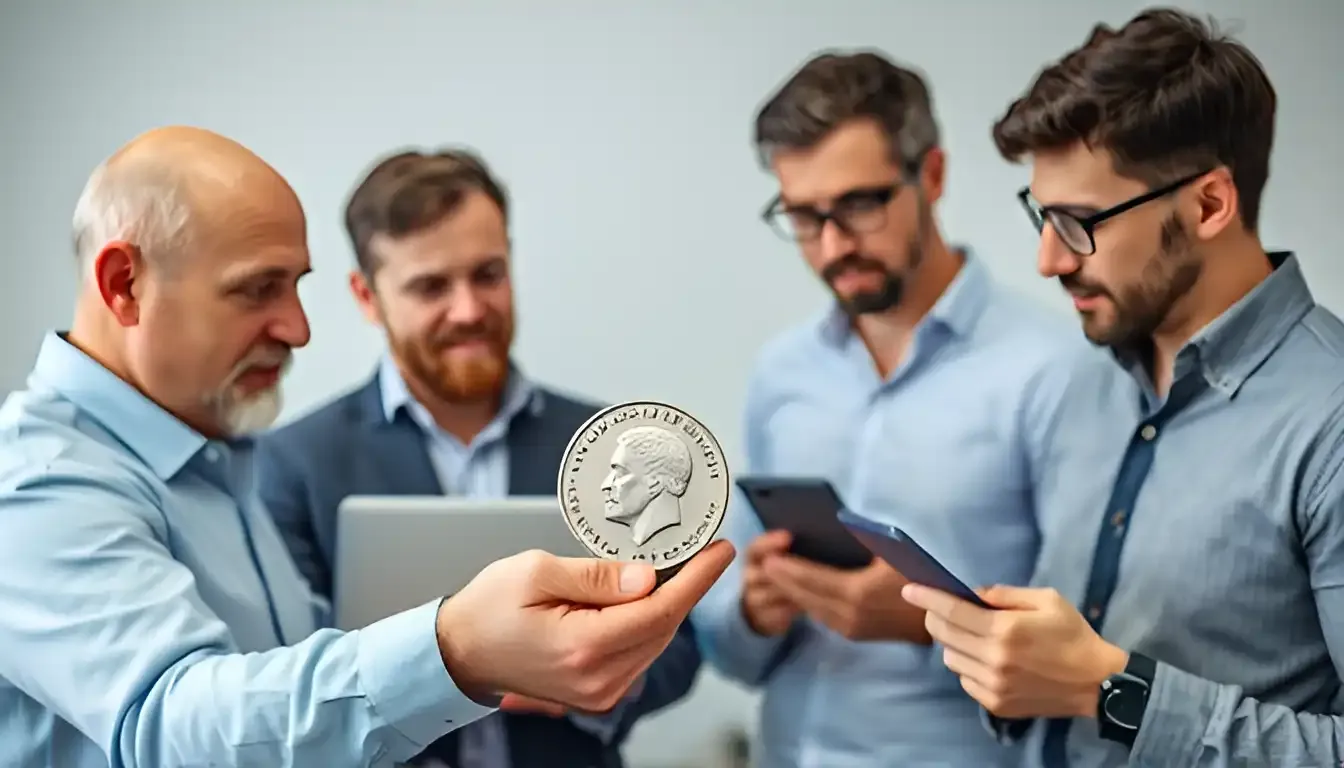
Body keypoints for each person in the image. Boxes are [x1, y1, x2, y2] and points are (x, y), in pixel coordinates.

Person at [0, 126, 733, 768]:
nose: (298, 328)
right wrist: (458, 651)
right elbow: (172, 727)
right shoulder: (41, 481)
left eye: (295, 287)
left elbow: (284, 689)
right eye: (258, 290)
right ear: (124, 284)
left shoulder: (222, 461)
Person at [902, 8, 1344, 768]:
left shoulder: (1331, 419)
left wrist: (1108, 689)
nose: (1047, 260)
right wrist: (1012, 668)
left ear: (1208, 204)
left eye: (1078, 223)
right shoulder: (1081, 384)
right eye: (1041, 216)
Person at [690, 50, 1096, 766]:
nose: (834, 244)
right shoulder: (782, 373)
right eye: (804, 216)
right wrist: (753, 611)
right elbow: (729, 651)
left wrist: (924, 625)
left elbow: (1097, 643)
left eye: (859, 204)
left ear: (931, 175)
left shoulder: (1056, 369)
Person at [255, 147, 703, 768]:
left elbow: (680, 648)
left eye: (488, 274)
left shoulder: (610, 445)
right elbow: (284, 677)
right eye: (431, 286)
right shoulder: (291, 463)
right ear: (366, 297)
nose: (468, 310)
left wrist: (600, 686)